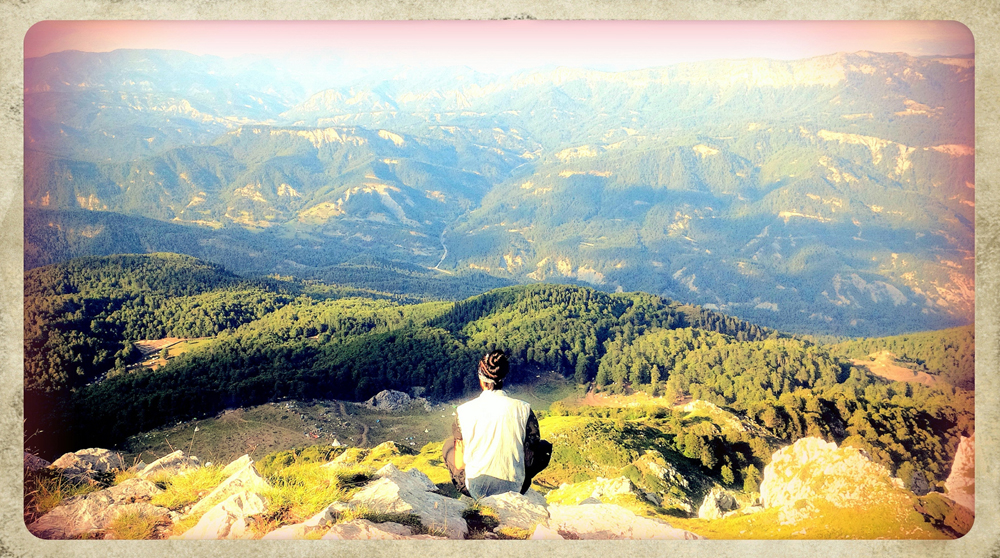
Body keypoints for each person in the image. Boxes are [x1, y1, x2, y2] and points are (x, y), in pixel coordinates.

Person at [442, 350, 551, 499]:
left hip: (475, 489)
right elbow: (529, 459)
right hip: (516, 487)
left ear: (481, 379)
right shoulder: (524, 409)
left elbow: (460, 464)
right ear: (503, 378)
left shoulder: (463, 411)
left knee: (449, 446)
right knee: (543, 447)